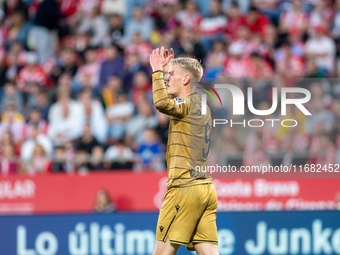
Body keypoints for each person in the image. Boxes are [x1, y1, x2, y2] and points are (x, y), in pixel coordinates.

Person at [149, 47, 218, 254]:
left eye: (171, 75)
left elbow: (161, 103)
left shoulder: (185, 104)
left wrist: (156, 71)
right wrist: (166, 68)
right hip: (205, 190)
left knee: (161, 253)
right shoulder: (201, 105)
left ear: (186, 79)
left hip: (184, 189)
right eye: (166, 75)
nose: (167, 79)